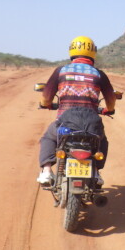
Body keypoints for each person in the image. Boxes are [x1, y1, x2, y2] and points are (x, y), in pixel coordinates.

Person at [36, 36, 117, 185]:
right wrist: (108, 109)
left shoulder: (61, 71)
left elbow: (47, 97)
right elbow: (111, 99)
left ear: (71, 50)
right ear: (93, 52)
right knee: (102, 141)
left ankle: (46, 171)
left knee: (48, 137)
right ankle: (96, 172)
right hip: (91, 125)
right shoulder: (99, 74)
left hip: (65, 126)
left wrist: (45, 104)